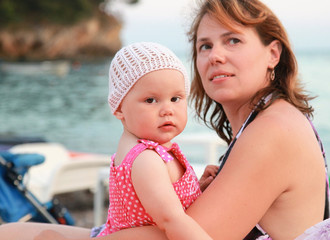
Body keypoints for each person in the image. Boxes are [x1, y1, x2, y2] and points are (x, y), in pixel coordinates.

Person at [5, 0, 330, 239]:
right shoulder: (265, 119)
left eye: (232, 40)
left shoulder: (274, 129)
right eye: (204, 46)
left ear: (273, 53)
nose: (215, 55)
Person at [0, 42, 216, 240]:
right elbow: (171, 219)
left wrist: (197, 189)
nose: (167, 110)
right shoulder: (146, 159)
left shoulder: (155, 149)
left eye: (176, 98)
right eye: (151, 100)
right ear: (119, 108)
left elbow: (160, 200)